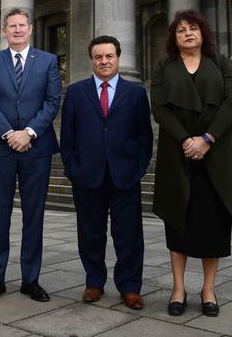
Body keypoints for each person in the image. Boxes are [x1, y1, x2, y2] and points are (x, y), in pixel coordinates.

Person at [150, 9, 232, 317]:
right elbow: (160, 108)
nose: (188, 33)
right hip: (177, 154)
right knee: (177, 221)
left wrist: (206, 139)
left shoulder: (220, 63)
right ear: (173, 39)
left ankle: (208, 289)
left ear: (203, 33)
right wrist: (186, 140)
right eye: (180, 30)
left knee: (212, 224)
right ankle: (178, 288)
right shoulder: (164, 66)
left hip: (215, 154)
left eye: (193, 28)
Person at [60, 36, 153, 309]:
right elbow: (68, 136)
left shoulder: (135, 93)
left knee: (129, 235)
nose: (104, 61)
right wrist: (71, 166)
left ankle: (130, 287)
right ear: (92, 60)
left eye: (109, 56)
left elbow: (144, 137)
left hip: (125, 175)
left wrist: (138, 168)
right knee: (90, 233)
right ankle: (94, 282)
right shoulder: (76, 92)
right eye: (98, 57)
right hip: (87, 175)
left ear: (118, 58)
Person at [0, 8, 61, 303]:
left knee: (33, 214)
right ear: (4, 30)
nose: (16, 30)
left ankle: (31, 279)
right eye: (11, 26)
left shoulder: (49, 61)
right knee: (0, 214)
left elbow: (52, 101)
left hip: (36, 148)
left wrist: (29, 133)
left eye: (21, 25)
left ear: (30, 29)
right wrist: (9, 134)